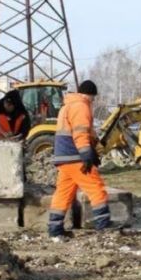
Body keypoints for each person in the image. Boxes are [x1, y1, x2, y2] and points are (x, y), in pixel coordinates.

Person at [48, 80, 110, 239]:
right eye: (93, 97)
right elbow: (80, 133)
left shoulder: (66, 106)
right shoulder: (81, 106)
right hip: (75, 157)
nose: (93, 101)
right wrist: (86, 154)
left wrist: (92, 145)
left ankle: (55, 230)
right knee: (97, 189)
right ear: (89, 94)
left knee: (63, 194)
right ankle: (104, 229)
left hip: (64, 158)